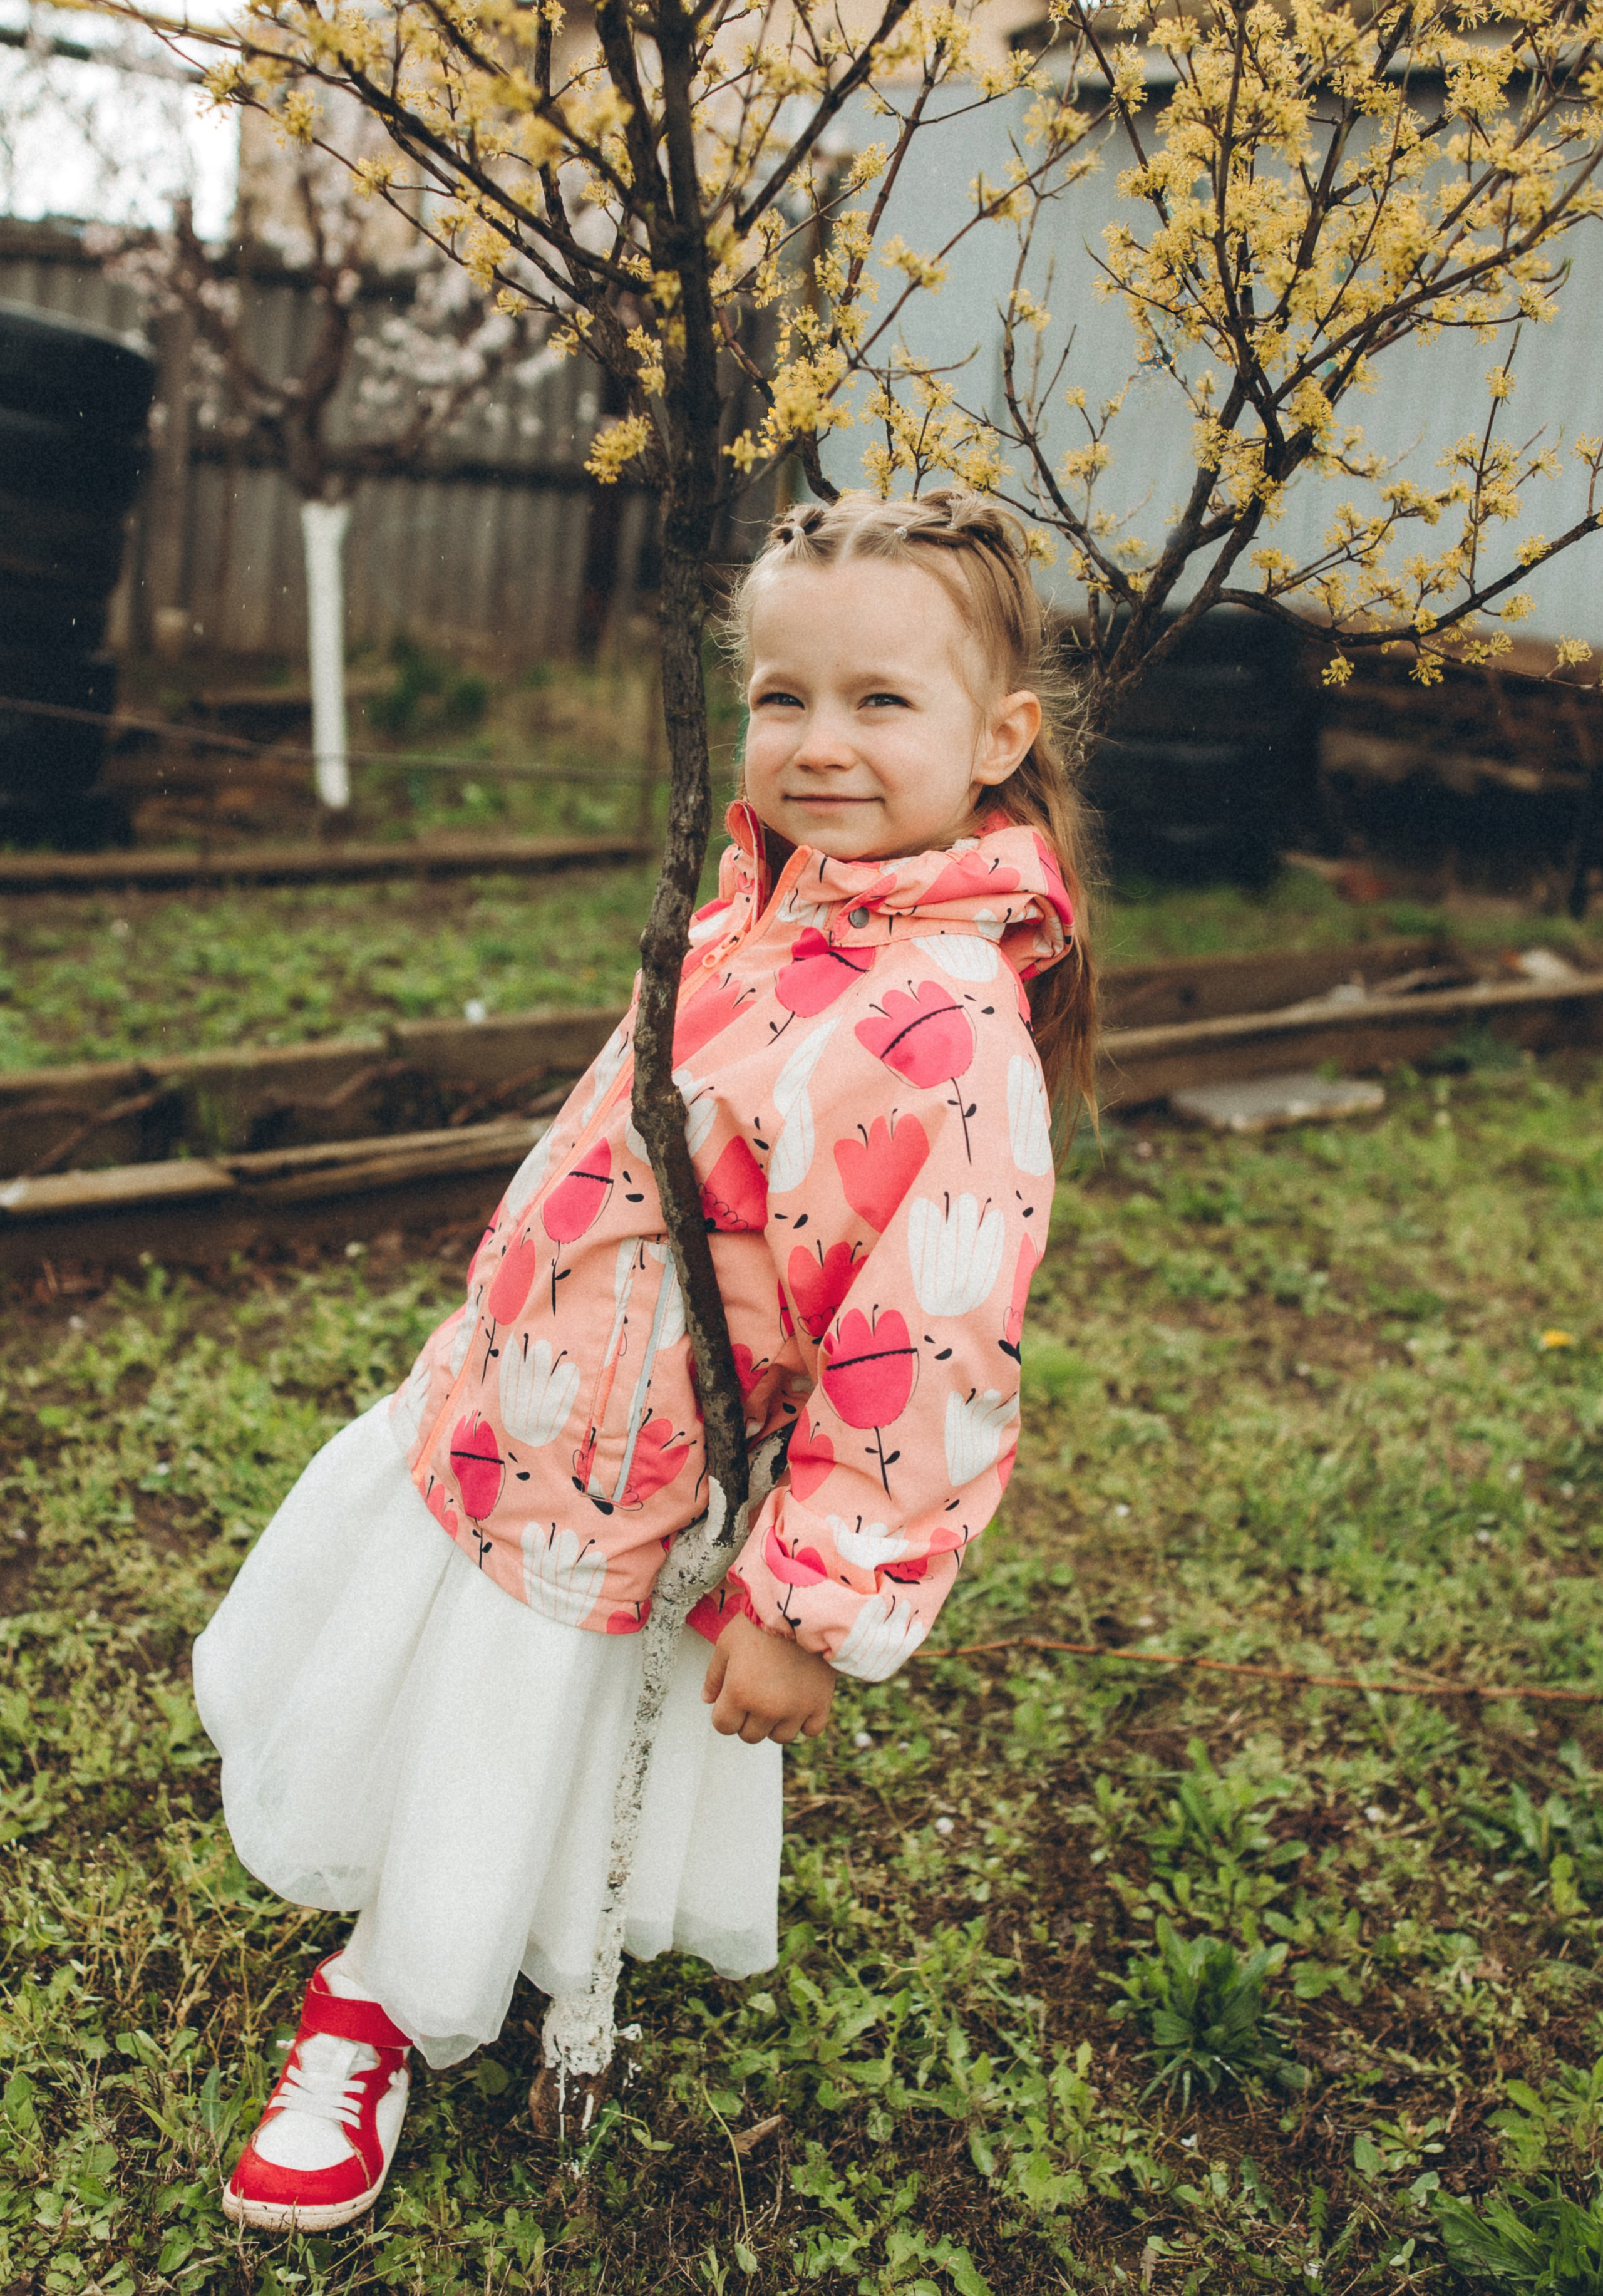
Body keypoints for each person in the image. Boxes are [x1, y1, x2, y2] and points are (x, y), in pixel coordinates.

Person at [196, 487, 1098, 2232]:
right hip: (521, 1415)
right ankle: (437, 1910)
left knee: (504, 1732)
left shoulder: (940, 1024)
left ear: (1002, 738)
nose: (817, 744)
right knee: (437, 1693)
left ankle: (376, 2002)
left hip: (630, 1488)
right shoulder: (767, 901)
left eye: (881, 704)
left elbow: (922, 1348)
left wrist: (812, 1603)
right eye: (780, 696)